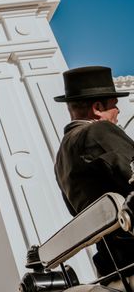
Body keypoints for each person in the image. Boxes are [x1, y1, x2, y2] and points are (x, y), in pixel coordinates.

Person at [54, 66, 134, 285]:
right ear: (98, 107)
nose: (117, 112)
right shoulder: (98, 131)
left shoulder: (62, 156)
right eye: (114, 106)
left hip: (111, 264)